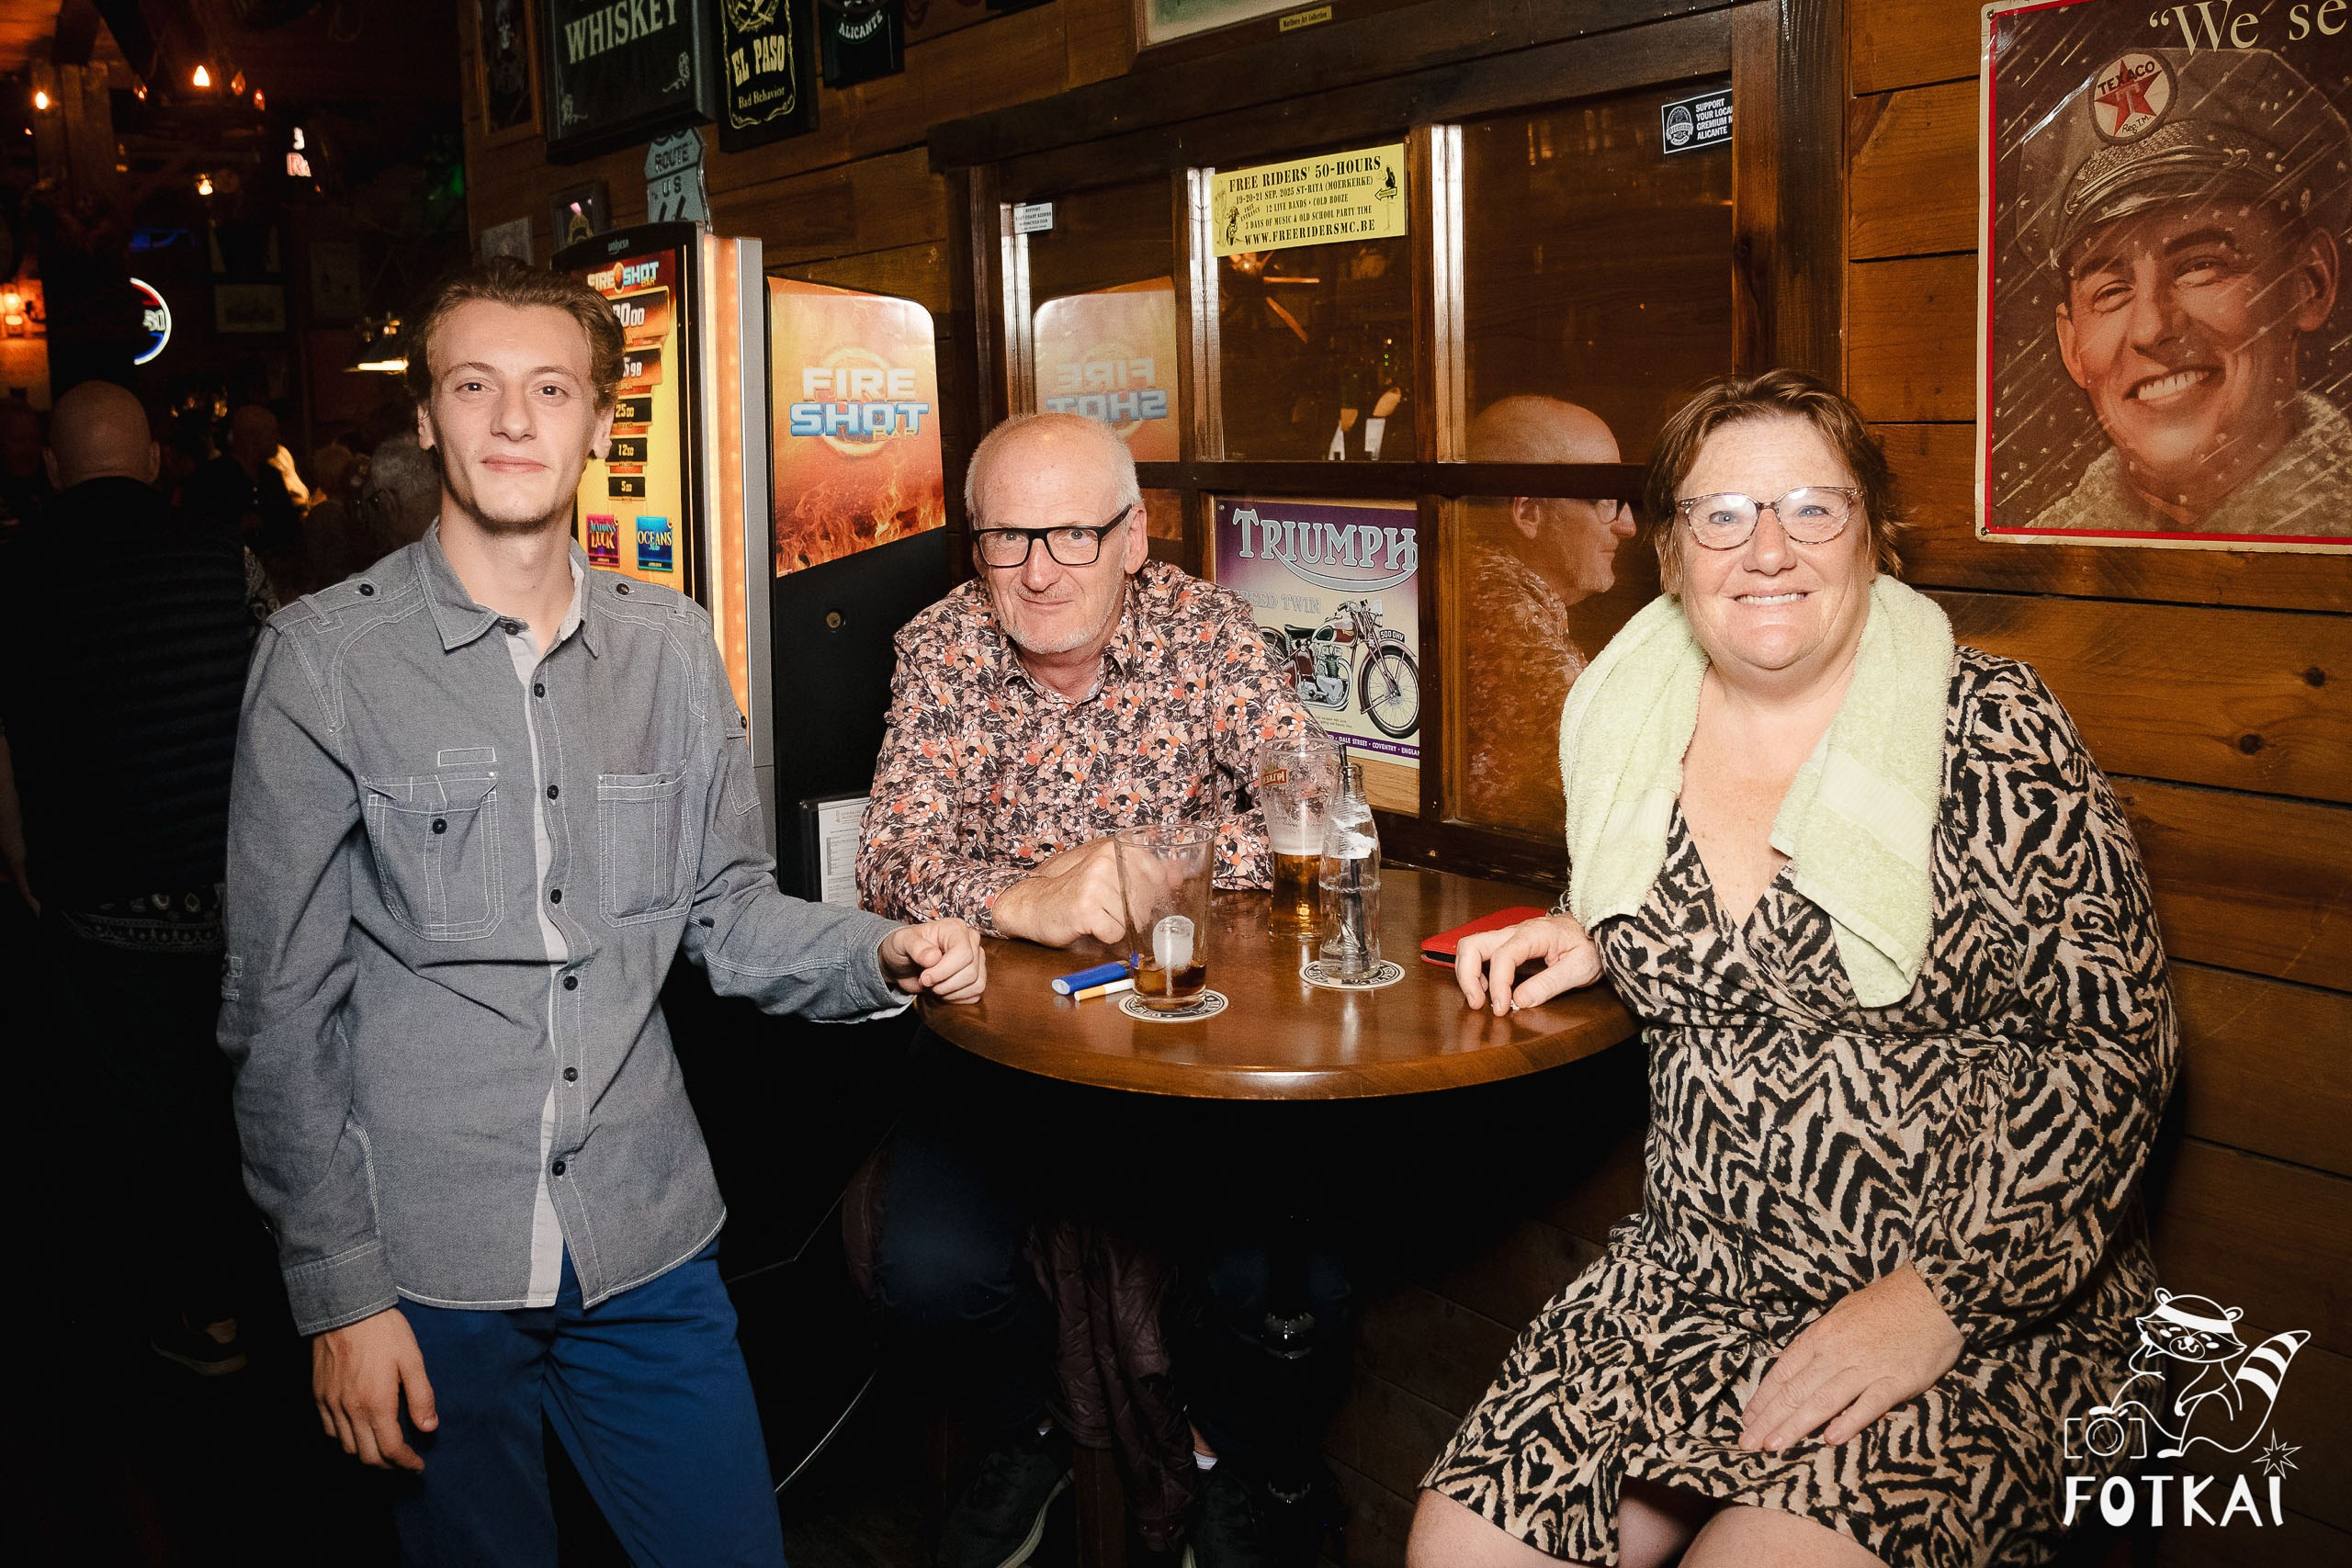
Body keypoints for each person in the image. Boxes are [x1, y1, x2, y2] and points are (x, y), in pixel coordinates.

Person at [218, 257, 988, 1567]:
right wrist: (339, 1293)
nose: (514, 419)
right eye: (476, 386)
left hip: (648, 1241)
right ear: (427, 418)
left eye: (551, 388)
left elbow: (728, 912)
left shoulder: (670, 645)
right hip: (432, 1261)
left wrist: (884, 951)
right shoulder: (321, 662)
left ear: (597, 422)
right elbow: (278, 1012)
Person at [1411, 370, 2177, 1567]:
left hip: (1978, 1300)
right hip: (1694, 1278)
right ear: (1672, 554)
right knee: (1458, 1553)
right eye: (1722, 514)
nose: (1766, 549)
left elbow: (2115, 1051)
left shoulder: (1992, 729)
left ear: (1873, 533)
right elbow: (1710, 925)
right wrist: (1591, 924)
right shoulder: (1628, 725)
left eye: (1811, 508)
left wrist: (1939, 1301)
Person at [854, 412, 1333, 1566]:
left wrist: (1154, 866)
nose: (1039, 571)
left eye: (1072, 534)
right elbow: (890, 856)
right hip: (993, 1053)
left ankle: (1224, 1455)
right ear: (976, 546)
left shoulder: (1206, 631)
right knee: (925, 1272)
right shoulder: (941, 645)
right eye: (1007, 538)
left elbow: (1314, 804)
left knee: (1288, 1278)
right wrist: (1023, 899)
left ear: (1132, 535)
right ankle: (1023, 1430)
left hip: (1188, 1044)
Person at [0, 380, 261, 1374]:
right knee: (251, 1092)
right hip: (239, 894)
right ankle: (292, 1294)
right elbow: (287, 712)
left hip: (100, 896)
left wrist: (22, 859)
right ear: (154, 461)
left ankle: (204, 1315)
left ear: (52, 469)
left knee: (149, 1113)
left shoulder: (16, 572)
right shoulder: (226, 559)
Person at [2022, 46, 2352, 536]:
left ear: (2309, 283)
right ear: (2071, 346)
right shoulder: (2037, 548)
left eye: (2200, 266)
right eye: (2111, 291)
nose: (2151, 328)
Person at [1459, 397, 1634, 829]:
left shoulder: (1482, 581)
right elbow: (1624, 778)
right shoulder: (1501, 609)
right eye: (1607, 500)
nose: (1628, 525)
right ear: (1529, 513)